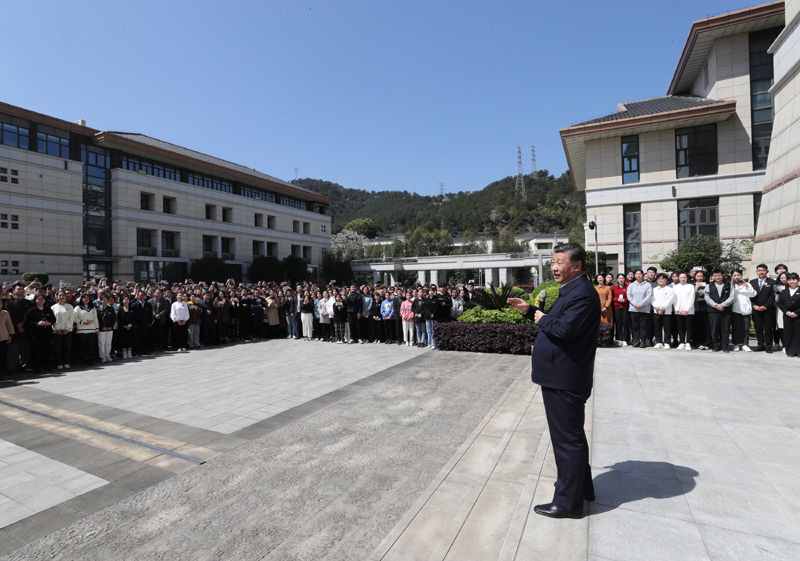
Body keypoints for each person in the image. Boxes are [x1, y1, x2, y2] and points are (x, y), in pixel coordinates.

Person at [508, 243, 599, 519]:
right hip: (562, 376)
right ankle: (582, 490)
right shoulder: (572, 290)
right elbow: (556, 320)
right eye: (552, 262)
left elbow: (563, 328)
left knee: (566, 440)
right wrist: (530, 310)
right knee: (572, 436)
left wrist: (539, 317)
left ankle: (567, 503)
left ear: (577, 265)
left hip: (566, 378)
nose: (554, 267)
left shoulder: (582, 294)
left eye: (560, 262)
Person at [705, 269, 734, 353]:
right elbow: (707, 298)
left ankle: (725, 346)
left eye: (719, 275)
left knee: (725, 329)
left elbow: (731, 297)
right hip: (713, 311)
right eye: (715, 275)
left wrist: (723, 305)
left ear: (723, 275)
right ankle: (716, 345)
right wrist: (716, 305)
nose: (717, 277)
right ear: (713, 276)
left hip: (726, 310)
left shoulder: (728, 285)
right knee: (714, 329)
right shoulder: (709, 286)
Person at [750, 263, 776, 353]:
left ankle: (769, 346)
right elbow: (749, 296)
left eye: (763, 270)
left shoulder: (772, 282)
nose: (761, 272)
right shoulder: (752, 282)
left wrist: (765, 306)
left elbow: (772, 296)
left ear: (767, 271)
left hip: (768, 310)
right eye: (759, 270)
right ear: (756, 271)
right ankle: (760, 345)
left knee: (768, 328)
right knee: (758, 327)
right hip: (756, 309)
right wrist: (754, 305)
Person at [730, 269, 756, 352]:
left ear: (741, 276)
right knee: (736, 328)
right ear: (732, 277)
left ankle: (745, 344)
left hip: (746, 310)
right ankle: (736, 344)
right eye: (734, 275)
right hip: (735, 310)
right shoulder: (731, 285)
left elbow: (753, 294)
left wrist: (746, 286)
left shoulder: (747, 284)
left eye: (738, 275)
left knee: (745, 328)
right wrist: (733, 287)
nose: (736, 277)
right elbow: (730, 298)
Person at [777, 272, 800, 358]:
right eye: (790, 280)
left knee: (798, 333)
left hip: (798, 315)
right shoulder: (784, 291)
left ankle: (798, 352)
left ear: (798, 280)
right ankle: (790, 351)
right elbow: (780, 303)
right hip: (787, 315)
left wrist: (796, 313)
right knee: (788, 333)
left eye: (794, 279)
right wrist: (787, 312)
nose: (792, 281)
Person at [627, 270, 652, 348]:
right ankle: (636, 340)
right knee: (635, 326)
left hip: (644, 309)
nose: (638, 275)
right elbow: (629, 295)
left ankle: (643, 341)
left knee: (643, 326)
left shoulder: (648, 285)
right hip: (634, 309)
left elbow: (649, 296)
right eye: (637, 274)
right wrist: (635, 304)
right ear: (635, 276)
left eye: (640, 274)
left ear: (643, 275)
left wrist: (641, 304)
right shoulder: (631, 285)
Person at [651, 273, 675, 349]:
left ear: (666, 280)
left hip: (667, 311)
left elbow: (671, 300)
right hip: (657, 311)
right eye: (659, 279)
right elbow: (652, 299)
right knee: (657, 327)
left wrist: (663, 307)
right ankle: (658, 342)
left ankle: (667, 342)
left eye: (663, 279)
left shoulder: (670, 289)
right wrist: (658, 307)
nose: (661, 280)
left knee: (667, 327)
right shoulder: (654, 290)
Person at [673, 273, 695, 350]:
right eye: (681, 277)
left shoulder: (690, 287)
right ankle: (682, 342)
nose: (683, 279)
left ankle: (688, 342)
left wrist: (686, 309)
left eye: (684, 277)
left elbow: (691, 299)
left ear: (687, 278)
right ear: (678, 278)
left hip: (689, 311)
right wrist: (677, 309)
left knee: (689, 327)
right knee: (680, 327)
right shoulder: (675, 287)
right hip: (679, 311)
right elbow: (674, 299)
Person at [610, 273, 629, 346]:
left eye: (622, 278)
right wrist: (617, 299)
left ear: (625, 279)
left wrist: (625, 300)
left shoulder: (628, 287)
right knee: (618, 323)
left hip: (625, 307)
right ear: (617, 279)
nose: (621, 280)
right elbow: (612, 297)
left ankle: (626, 339)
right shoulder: (614, 288)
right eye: (619, 278)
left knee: (625, 323)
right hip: (617, 307)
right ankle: (619, 339)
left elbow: (630, 297)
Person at [0, 297, 14, 376]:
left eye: (0, 302)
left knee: (2, 355)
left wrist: (10, 335)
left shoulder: (5, 313)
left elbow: (9, 325)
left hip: (3, 337)